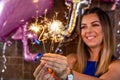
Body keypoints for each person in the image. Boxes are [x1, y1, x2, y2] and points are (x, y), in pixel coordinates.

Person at [33, 7, 120, 80]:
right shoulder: (71, 60)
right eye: (83, 27)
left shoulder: (116, 66)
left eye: (95, 25)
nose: (88, 31)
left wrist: (69, 75)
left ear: (106, 30)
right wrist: (48, 77)